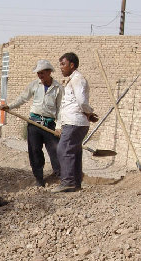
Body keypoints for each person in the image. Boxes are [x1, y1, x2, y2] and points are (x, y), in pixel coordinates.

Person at [0, 60, 63, 187]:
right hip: (34, 123)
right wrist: (9, 106)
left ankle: (60, 177)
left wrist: (59, 127)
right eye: (38, 73)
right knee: (35, 151)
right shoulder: (34, 85)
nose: (40, 76)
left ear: (49, 72)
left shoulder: (58, 88)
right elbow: (22, 98)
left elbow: (61, 108)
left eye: (42, 73)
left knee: (55, 150)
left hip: (49, 124)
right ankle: (39, 178)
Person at [52, 52, 94, 193]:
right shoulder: (72, 80)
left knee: (63, 149)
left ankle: (68, 182)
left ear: (72, 65)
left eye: (63, 64)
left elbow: (82, 101)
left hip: (75, 122)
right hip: (73, 121)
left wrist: (89, 112)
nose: (61, 67)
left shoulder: (78, 79)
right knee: (74, 151)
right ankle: (76, 183)